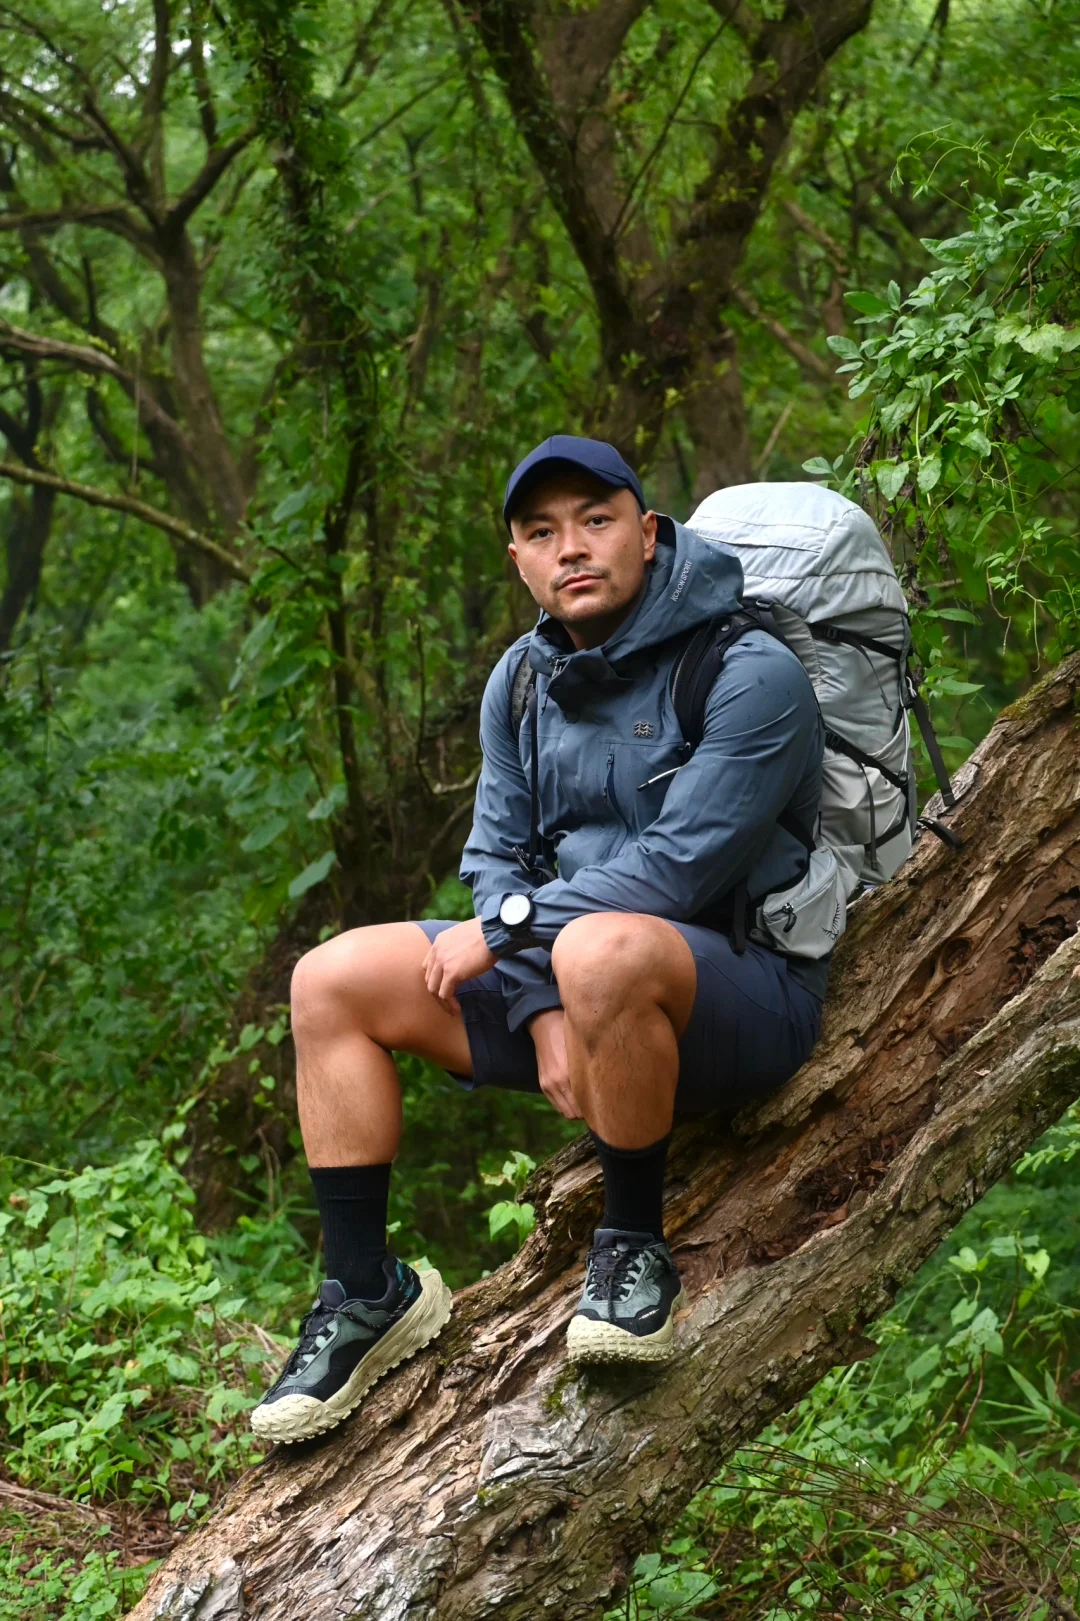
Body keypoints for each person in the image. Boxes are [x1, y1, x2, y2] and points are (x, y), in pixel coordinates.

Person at [250, 435, 827, 1445]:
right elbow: (495, 856)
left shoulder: (748, 671)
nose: (572, 548)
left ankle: (634, 1246)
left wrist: (518, 937)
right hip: (573, 985)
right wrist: (541, 1003)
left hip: (738, 994)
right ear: (516, 558)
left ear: (647, 534)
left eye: (595, 521)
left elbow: (677, 873)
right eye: (541, 532)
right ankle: (365, 1291)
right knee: (330, 978)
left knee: (601, 946)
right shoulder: (520, 680)